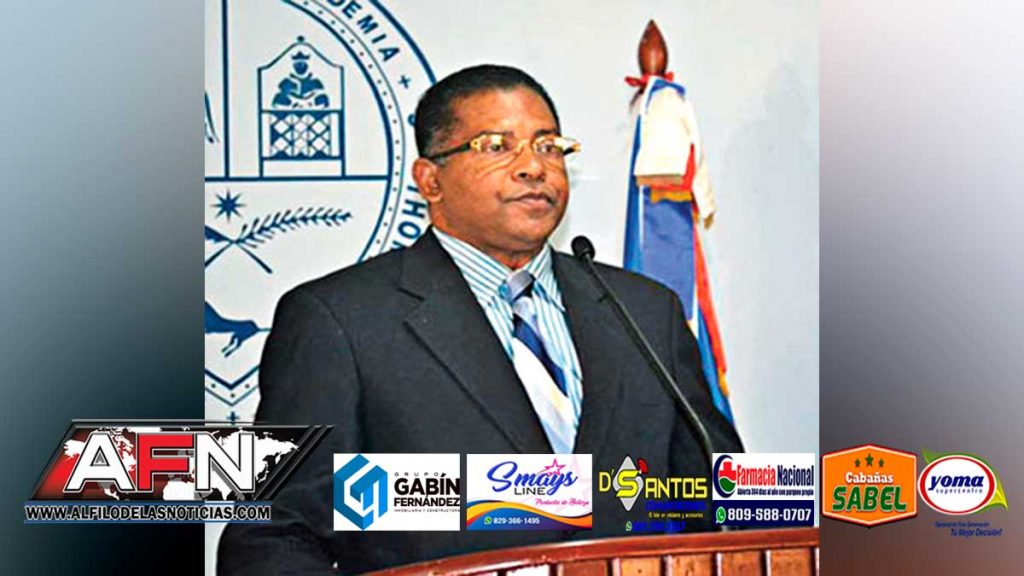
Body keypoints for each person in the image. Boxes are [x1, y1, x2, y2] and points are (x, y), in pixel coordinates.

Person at [218, 64, 742, 575]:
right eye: (496, 146)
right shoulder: (339, 320)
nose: (533, 166)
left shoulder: (645, 311)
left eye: (548, 146)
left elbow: (724, 497)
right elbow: (274, 534)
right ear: (430, 180)